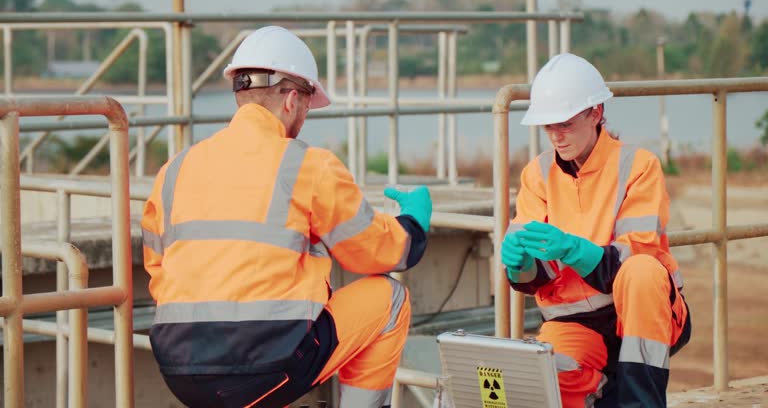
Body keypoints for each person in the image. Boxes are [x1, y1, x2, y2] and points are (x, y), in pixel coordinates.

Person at [141, 25, 432, 408]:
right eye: (309, 105)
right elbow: (376, 253)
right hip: (265, 368)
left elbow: (157, 268)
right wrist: (412, 225)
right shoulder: (305, 165)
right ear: (292, 99)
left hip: (180, 369)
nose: (305, 116)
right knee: (390, 298)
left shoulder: (175, 169)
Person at [501, 53, 691, 408]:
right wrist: (519, 265)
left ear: (596, 113)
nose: (556, 135)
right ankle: (610, 394)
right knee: (543, 381)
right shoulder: (537, 174)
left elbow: (637, 258)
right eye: (548, 126)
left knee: (642, 271)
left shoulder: (638, 166)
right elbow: (533, 276)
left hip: (642, 313)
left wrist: (574, 249)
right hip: (576, 324)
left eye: (566, 123)